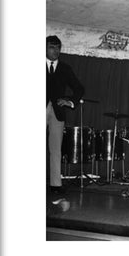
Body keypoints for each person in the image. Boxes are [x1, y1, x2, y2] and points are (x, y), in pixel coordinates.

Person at [46, 35, 84, 202]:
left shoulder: (65, 68)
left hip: (58, 111)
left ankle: (55, 184)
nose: (56, 51)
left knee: (56, 149)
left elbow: (79, 88)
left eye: (58, 48)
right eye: (52, 47)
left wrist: (69, 101)